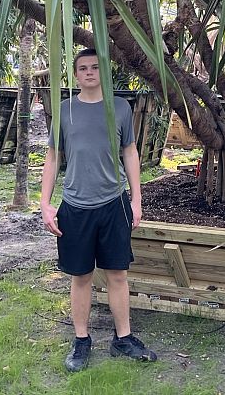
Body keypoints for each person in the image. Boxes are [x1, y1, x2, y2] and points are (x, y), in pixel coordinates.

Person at [40, 48, 157, 373]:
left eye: (95, 67)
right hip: (75, 207)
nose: (90, 72)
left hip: (113, 204)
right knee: (81, 276)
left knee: (117, 274)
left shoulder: (120, 108)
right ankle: (81, 340)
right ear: (76, 74)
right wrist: (45, 204)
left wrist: (136, 199)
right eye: (83, 68)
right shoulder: (65, 110)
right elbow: (53, 157)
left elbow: (130, 152)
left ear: (103, 72)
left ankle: (123, 339)